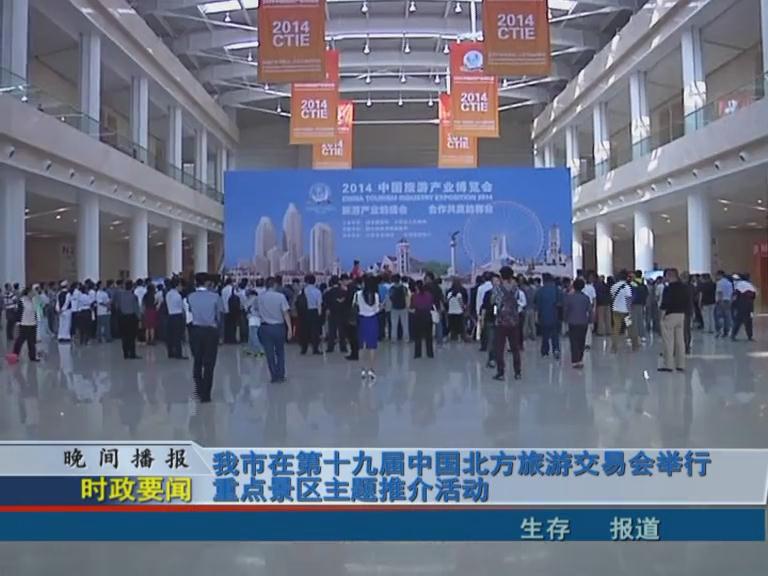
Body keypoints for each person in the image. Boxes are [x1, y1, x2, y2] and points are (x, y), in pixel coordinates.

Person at [187, 273, 225, 402]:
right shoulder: (215, 297)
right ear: (207, 283)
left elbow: (188, 313)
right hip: (210, 331)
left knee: (197, 361)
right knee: (209, 364)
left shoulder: (190, 297)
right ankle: (206, 394)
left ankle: (199, 388)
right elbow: (219, 316)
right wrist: (220, 334)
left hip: (196, 331)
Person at [258, 277, 293, 383]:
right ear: (275, 285)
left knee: (269, 353)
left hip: (265, 327)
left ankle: (273, 375)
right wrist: (290, 328)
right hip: (278, 327)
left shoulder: (260, 297)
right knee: (280, 352)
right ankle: (280, 375)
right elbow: (285, 313)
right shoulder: (280, 297)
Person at [492, 266, 523, 381]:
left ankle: (501, 372)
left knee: (499, 348)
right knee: (515, 348)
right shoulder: (516, 288)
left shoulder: (498, 288)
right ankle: (517, 372)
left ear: (501, 276)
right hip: (514, 321)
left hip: (501, 321)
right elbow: (517, 299)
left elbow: (494, 301)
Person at [659, 268, 687, 372]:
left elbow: (665, 304)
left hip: (670, 315)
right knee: (680, 341)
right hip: (681, 315)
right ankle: (681, 364)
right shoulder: (683, 287)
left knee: (668, 341)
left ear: (669, 276)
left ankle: (668, 364)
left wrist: (661, 317)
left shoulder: (668, 289)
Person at [355, 275, 381, 382]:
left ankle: (362, 370)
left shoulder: (358, 294)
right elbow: (376, 310)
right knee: (372, 346)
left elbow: (355, 306)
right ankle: (371, 369)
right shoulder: (375, 296)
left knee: (361, 346)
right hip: (372, 320)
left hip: (362, 320)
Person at [564, 278, 592, 368]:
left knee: (574, 341)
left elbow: (566, 309)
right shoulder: (586, 298)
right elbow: (590, 310)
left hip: (572, 321)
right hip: (583, 322)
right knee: (581, 341)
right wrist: (590, 320)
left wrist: (565, 318)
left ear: (574, 286)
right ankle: (580, 359)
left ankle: (575, 360)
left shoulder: (569, 297)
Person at [534, 273, 562, 359]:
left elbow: (537, 305)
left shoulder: (539, 291)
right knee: (555, 334)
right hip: (554, 315)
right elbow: (560, 303)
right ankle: (556, 350)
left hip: (543, 316)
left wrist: (536, 316)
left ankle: (545, 351)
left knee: (545, 335)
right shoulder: (556, 290)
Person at [7, 288, 38, 363]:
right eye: (32, 292)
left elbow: (34, 312)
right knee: (20, 341)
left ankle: (32, 356)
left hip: (32, 323)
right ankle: (15, 356)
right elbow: (18, 313)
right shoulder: (21, 301)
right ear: (28, 293)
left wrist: (36, 320)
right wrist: (18, 323)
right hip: (24, 324)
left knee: (32, 341)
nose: (34, 293)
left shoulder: (33, 301)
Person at [609, 270, 636, 353]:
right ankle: (635, 346)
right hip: (625, 311)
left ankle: (614, 347)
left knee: (616, 329)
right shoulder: (627, 287)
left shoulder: (614, 286)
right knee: (630, 327)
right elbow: (628, 300)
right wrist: (630, 310)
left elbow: (612, 297)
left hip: (615, 310)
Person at [297, 274, 322, 355]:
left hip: (304, 312)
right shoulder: (317, 291)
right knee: (315, 331)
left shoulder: (302, 291)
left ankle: (304, 348)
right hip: (314, 312)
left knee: (304, 330)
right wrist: (319, 314)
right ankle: (315, 349)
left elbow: (299, 302)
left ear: (306, 281)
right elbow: (319, 304)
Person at [115, 280, 140, 359]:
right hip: (131, 317)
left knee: (124, 336)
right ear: (132, 287)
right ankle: (132, 353)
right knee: (132, 336)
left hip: (123, 317)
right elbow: (136, 309)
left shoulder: (120, 296)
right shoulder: (134, 296)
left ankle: (125, 353)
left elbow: (117, 306)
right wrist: (139, 318)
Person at [410, 280, 434, 359]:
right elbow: (431, 304)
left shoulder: (414, 296)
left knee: (418, 336)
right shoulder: (429, 295)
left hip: (418, 316)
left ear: (416, 287)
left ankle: (418, 354)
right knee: (429, 336)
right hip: (427, 316)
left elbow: (412, 306)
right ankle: (430, 353)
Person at [324, 275, 349, 353]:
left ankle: (330, 347)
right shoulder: (344, 291)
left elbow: (325, 303)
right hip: (342, 313)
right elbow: (346, 302)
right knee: (342, 331)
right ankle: (343, 347)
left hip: (332, 313)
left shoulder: (328, 292)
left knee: (332, 331)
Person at [165, 278, 186, 359]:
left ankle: (170, 352)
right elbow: (181, 307)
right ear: (178, 285)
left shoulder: (168, 294)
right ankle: (178, 353)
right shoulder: (178, 295)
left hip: (170, 316)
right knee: (177, 336)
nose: (181, 287)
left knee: (170, 336)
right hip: (177, 316)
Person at [731, 274, 757, 341]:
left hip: (741, 306)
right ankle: (750, 336)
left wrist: (733, 305)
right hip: (750, 306)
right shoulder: (750, 285)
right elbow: (754, 296)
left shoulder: (738, 285)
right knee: (749, 321)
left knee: (738, 321)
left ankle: (733, 335)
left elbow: (735, 296)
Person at [388, 274, 410, 343]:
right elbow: (407, 298)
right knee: (405, 324)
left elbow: (390, 298)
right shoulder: (404, 288)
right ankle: (406, 339)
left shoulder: (391, 289)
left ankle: (393, 339)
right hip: (403, 308)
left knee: (394, 325)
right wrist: (407, 307)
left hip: (394, 308)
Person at [245, 288, 264, 357]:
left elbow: (247, 308)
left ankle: (259, 350)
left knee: (253, 335)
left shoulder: (252, 300)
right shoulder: (258, 299)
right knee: (252, 335)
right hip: (256, 319)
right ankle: (250, 349)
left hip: (253, 319)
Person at [714, 270, 734, 338]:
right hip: (728, 301)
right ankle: (726, 331)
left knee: (718, 316)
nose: (716, 277)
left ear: (720, 275)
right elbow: (732, 293)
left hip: (721, 301)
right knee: (727, 317)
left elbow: (720, 293)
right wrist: (731, 301)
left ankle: (719, 331)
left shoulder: (719, 283)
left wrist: (721, 301)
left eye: (717, 275)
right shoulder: (729, 283)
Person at [630, 271, 648, 342]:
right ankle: (642, 335)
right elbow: (646, 293)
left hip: (634, 303)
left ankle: (634, 335)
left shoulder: (633, 283)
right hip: (641, 303)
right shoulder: (643, 283)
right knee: (640, 320)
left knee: (634, 320)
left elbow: (632, 293)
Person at [582, 273, 597, 350]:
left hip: (585, 307)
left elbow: (594, 299)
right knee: (588, 325)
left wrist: (594, 307)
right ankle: (587, 343)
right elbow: (594, 299)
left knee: (586, 325)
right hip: (588, 306)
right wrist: (594, 308)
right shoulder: (591, 287)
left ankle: (586, 342)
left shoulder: (587, 288)